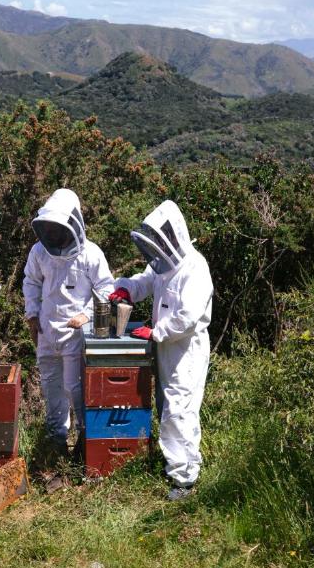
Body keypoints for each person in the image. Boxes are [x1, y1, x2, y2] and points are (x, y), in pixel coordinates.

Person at [109, 201, 213, 501]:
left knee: (179, 410)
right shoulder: (165, 264)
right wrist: (126, 287)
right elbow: (146, 280)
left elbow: (188, 316)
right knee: (167, 404)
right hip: (165, 348)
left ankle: (184, 479)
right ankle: (179, 463)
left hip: (185, 349)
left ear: (174, 235)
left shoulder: (195, 268)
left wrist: (157, 332)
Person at [22, 188, 114, 456]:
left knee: (75, 388)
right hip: (46, 329)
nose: (53, 233)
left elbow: (107, 288)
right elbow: (31, 282)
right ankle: (57, 441)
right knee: (51, 388)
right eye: (49, 227)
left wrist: (87, 314)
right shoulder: (39, 251)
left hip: (76, 333)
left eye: (57, 227)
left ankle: (86, 441)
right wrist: (32, 314)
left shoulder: (91, 254)